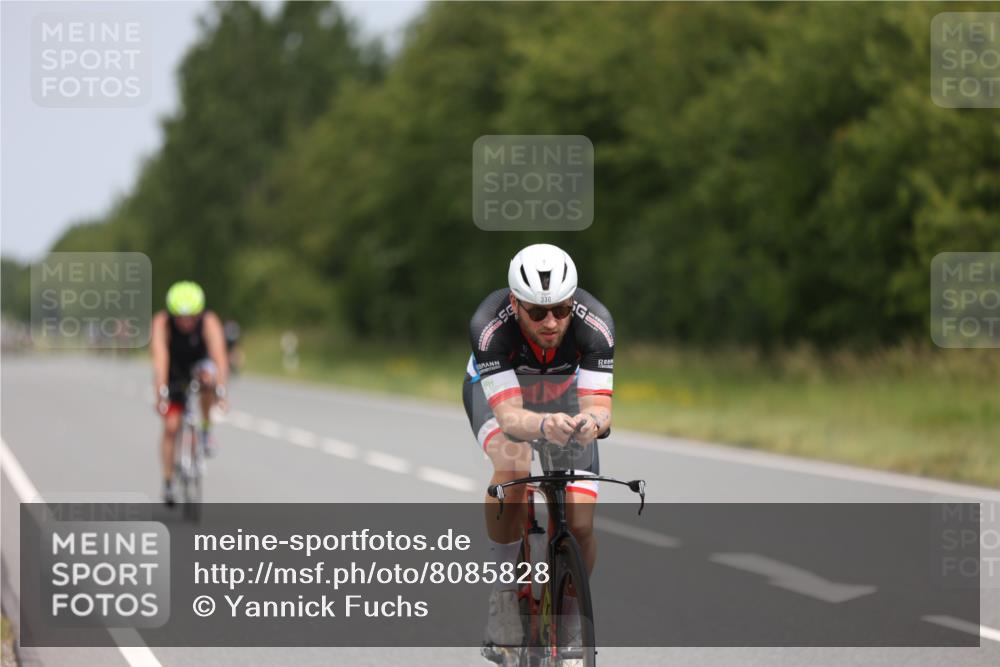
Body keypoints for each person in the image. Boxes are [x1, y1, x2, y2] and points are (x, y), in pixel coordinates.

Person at [464, 244, 614, 651]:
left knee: (580, 524)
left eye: (562, 310)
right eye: (536, 312)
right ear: (515, 304)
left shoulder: (596, 323)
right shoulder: (489, 325)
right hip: (499, 397)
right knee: (513, 465)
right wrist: (545, 425)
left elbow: (601, 408)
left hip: (563, 399)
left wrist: (591, 423)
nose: (551, 322)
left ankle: (569, 616)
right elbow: (511, 417)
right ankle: (504, 596)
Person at [151, 281, 229, 505]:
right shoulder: (162, 322)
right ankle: (168, 483)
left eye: (191, 317)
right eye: (180, 317)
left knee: (208, 379)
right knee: (171, 426)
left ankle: (205, 429)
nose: (185, 322)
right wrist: (160, 392)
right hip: (174, 369)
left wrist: (221, 392)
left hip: (199, 365)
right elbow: (160, 358)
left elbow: (219, 357)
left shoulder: (209, 321)